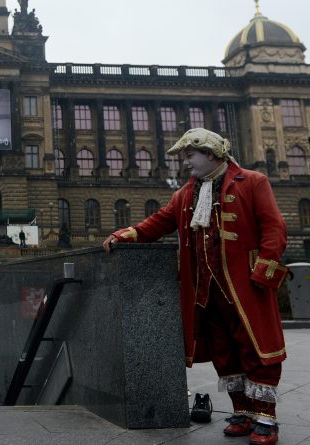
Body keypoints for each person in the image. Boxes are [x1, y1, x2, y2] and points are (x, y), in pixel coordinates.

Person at [102, 128, 287, 445]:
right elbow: (157, 223)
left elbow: (274, 227)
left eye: (189, 156)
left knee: (256, 349)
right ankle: (242, 410)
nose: (185, 163)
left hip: (245, 288)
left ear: (211, 154)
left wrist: (265, 269)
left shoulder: (253, 182)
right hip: (205, 292)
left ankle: (266, 418)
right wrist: (123, 236)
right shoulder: (185, 195)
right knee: (223, 351)